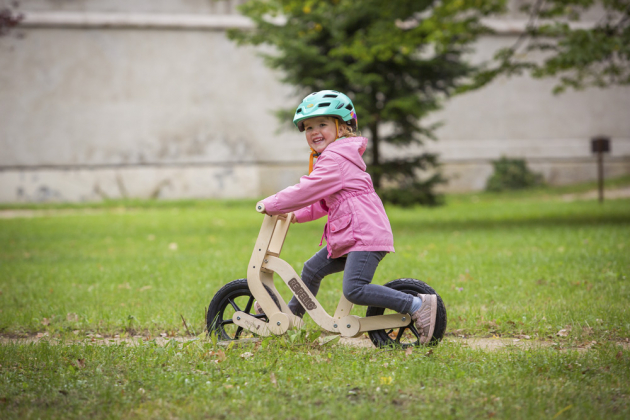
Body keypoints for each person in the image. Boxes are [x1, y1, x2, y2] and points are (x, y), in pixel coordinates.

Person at [258, 90, 437, 344]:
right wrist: (294, 214)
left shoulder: (335, 159)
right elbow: (322, 203)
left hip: (363, 235)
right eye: (309, 127)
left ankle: (417, 305)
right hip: (351, 234)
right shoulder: (333, 158)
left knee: (355, 289)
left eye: (322, 124)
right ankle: (292, 316)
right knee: (311, 269)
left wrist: (272, 203)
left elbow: (307, 189)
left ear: (341, 128)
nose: (314, 131)